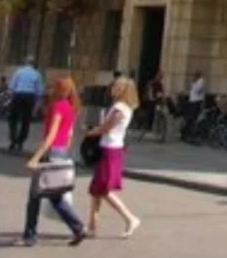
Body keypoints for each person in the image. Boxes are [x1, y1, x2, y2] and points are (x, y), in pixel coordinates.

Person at [16, 76, 88, 247]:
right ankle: (78, 228)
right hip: (61, 152)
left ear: (57, 89)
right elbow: (69, 135)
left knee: (35, 196)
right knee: (55, 197)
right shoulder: (71, 108)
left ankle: (30, 235)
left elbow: (50, 136)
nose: (49, 90)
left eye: (52, 87)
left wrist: (35, 158)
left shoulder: (56, 107)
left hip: (50, 152)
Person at [84, 77, 142, 239]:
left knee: (102, 190)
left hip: (110, 149)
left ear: (123, 90)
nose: (112, 88)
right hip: (113, 148)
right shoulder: (127, 108)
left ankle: (130, 218)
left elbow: (106, 127)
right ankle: (91, 226)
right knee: (97, 190)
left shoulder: (119, 107)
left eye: (116, 86)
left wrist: (90, 132)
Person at [8, 56, 44, 153]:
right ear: (33, 64)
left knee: (13, 119)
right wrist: (37, 106)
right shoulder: (37, 74)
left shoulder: (19, 72)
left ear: (25, 62)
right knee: (26, 120)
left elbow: (12, 87)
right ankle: (20, 141)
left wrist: (11, 98)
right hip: (30, 97)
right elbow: (39, 91)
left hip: (18, 95)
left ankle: (13, 140)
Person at [182, 72, 205, 137]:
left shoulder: (200, 81)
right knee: (191, 118)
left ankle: (189, 132)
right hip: (193, 101)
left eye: (194, 76)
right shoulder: (194, 83)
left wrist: (193, 85)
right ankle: (187, 132)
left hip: (196, 101)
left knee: (193, 118)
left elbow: (198, 90)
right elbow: (191, 89)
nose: (193, 77)